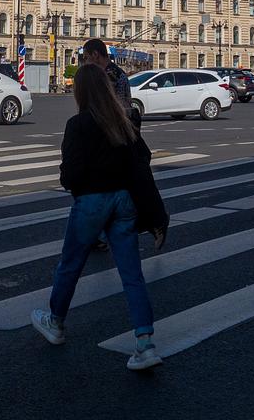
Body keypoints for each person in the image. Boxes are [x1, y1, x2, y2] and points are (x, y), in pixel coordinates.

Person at [31, 64, 163, 371]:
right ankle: (145, 344)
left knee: (70, 265)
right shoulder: (123, 121)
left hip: (92, 201)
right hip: (124, 201)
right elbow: (141, 164)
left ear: (80, 92)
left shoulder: (78, 124)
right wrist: (156, 214)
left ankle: (55, 322)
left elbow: (71, 175)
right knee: (132, 275)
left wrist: (75, 183)